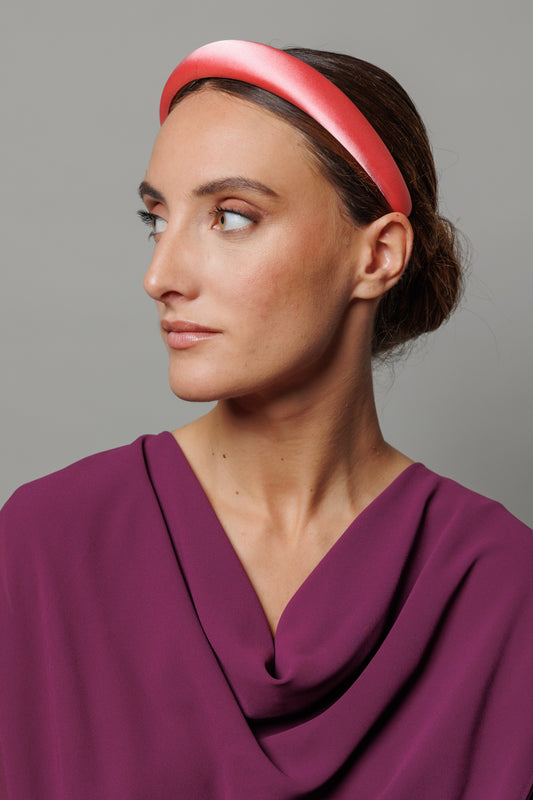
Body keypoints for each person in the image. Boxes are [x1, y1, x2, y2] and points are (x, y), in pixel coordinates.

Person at [0, 39, 532, 800]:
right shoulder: (45, 546)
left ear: (377, 256)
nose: (160, 276)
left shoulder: (503, 588)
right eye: (157, 219)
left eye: (230, 217)